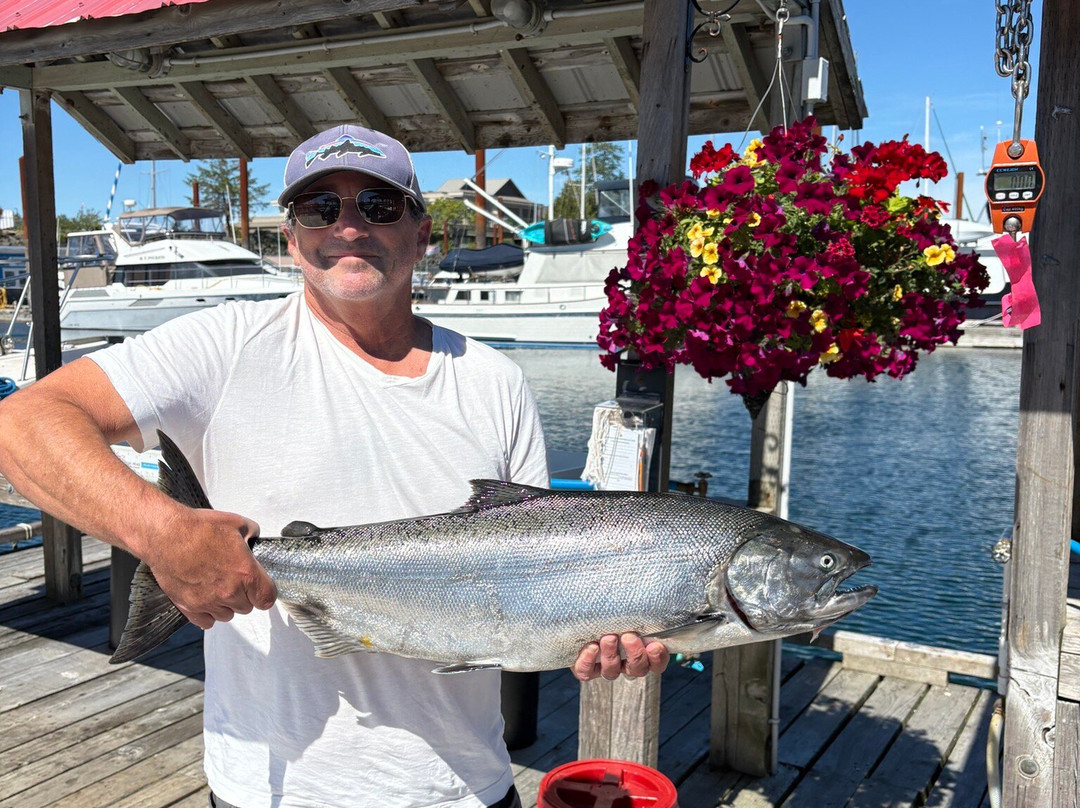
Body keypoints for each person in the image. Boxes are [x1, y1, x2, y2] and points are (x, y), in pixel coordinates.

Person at [0, 125, 668, 808]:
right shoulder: (223, 345)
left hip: (463, 787)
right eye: (320, 208)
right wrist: (160, 530)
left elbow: (529, 558)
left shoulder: (495, 379)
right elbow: (23, 424)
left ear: (421, 231)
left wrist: (593, 631)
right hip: (271, 790)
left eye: (378, 206)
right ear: (291, 237)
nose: (348, 227)